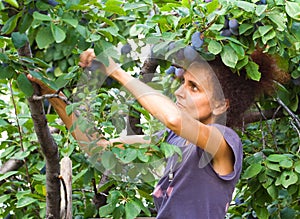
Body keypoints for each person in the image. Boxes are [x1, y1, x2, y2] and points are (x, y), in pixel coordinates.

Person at [28, 47, 274, 218]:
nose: (179, 92)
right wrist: (56, 97)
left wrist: (116, 71)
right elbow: (100, 147)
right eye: (182, 83)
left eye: (194, 88)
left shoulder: (224, 141)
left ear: (221, 104)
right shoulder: (172, 140)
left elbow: (173, 119)